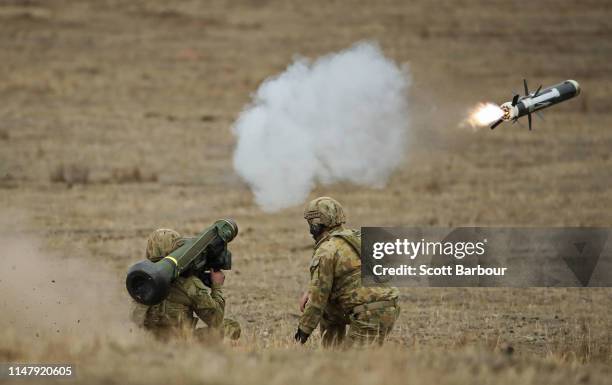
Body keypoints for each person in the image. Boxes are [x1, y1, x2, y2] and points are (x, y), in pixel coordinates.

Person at [295, 197, 400, 347]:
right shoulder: (357, 237)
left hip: (370, 313)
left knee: (353, 365)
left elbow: (317, 300)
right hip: (388, 306)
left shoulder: (327, 249)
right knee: (328, 313)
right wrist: (311, 290)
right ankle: (332, 352)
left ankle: (334, 358)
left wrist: (302, 333)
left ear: (316, 224)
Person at [130, 228, 241, 341]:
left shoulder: (140, 280)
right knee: (231, 326)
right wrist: (217, 286)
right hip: (181, 342)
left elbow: (134, 320)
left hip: (149, 340)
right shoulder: (189, 284)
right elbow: (215, 320)